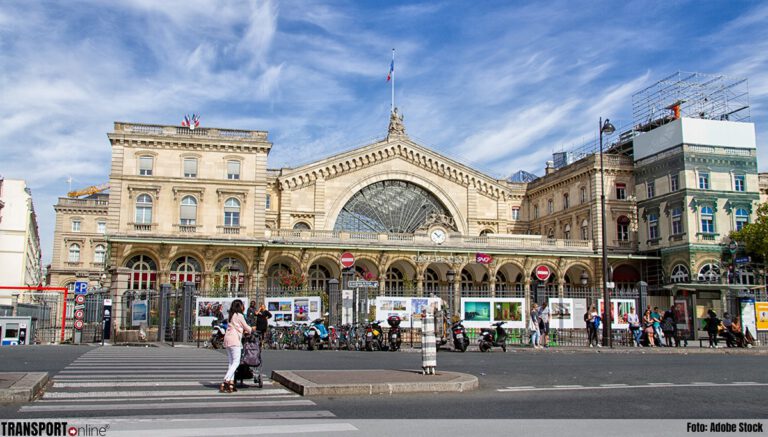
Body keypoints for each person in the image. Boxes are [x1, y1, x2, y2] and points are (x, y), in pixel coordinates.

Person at [220, 299, 253, 393]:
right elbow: (246, 327)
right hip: (235, 341)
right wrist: (252, 330)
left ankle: (231, 384)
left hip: (227, 339)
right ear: (240, 306)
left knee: (231, 363)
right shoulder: (239, 315)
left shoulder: (231, 315)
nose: (243, 307)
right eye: (242, 305)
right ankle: (225, 381)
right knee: (236, 362)